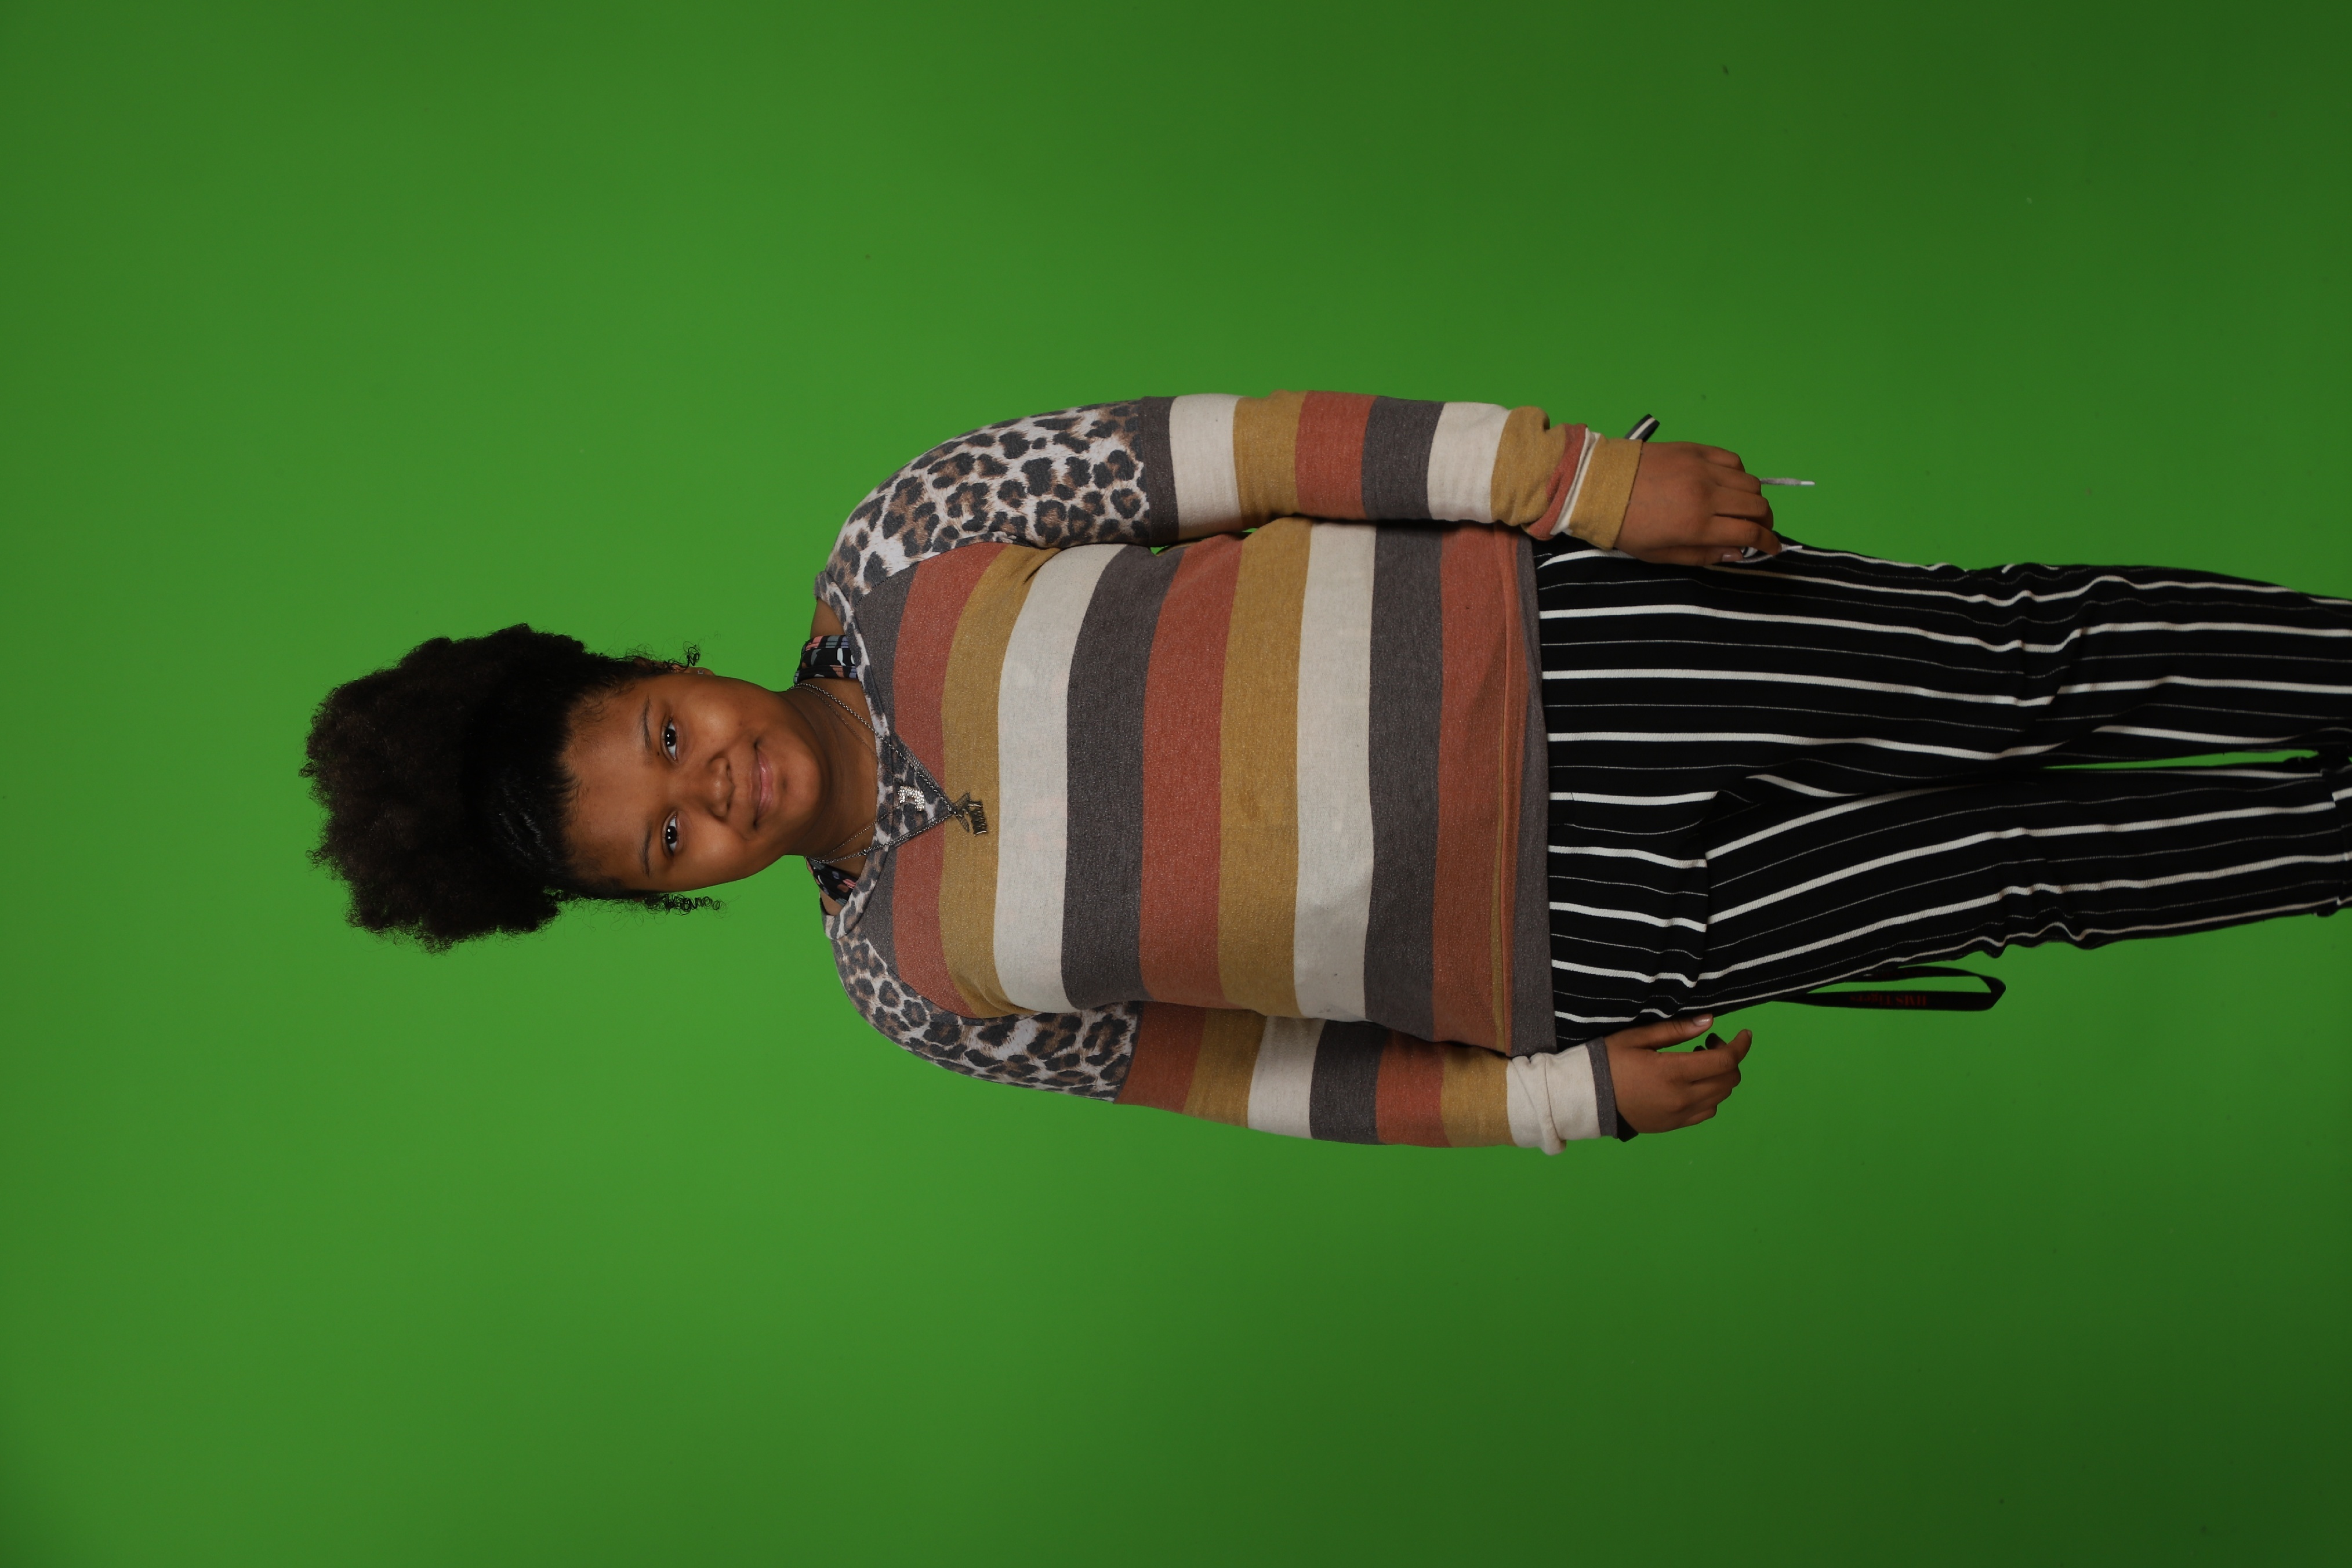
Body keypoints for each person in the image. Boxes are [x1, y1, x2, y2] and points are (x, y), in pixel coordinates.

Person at [304, 391, 2352, 1153]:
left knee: (2012, 667)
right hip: (1574, 941)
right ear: (667, 895)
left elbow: (1257, 450)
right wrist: (1549, 1103)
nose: (718, 790)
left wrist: (1581, 480)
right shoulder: (913, 985)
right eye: (667, 840)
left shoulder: (913, 537)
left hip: (1569, 646)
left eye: (666, 739)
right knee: (2009, 877)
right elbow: (1254, 1074)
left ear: (653, 664)